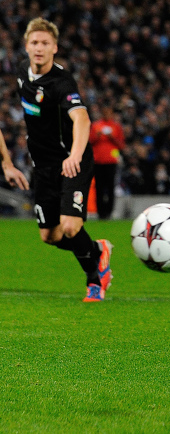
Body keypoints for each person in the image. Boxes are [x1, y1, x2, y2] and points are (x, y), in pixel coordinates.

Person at [12, 18, 113, 302]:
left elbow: (81, 118)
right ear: (26, 46)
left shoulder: (62, 81)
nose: (39, 48)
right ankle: (97, 250)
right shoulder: (22, 73)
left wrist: (76, 155)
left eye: (45, 43)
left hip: (72, 161)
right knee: (50, 236)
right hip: (42, 167)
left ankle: (95, 280)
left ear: (55, 48)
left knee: (70, 225)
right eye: (34, 43)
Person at [88, 106, 125, 220]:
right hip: (98, 161)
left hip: (111, 161)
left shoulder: (116, 127)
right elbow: (89, 141)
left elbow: (121, 144)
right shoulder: (95, 126)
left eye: (109, 112)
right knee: (99, 188)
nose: (107, 114)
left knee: (110, 188)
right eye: (105, 111)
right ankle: (100, 213)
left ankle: (109, 212)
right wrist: (97, 136)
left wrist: (111, 137)